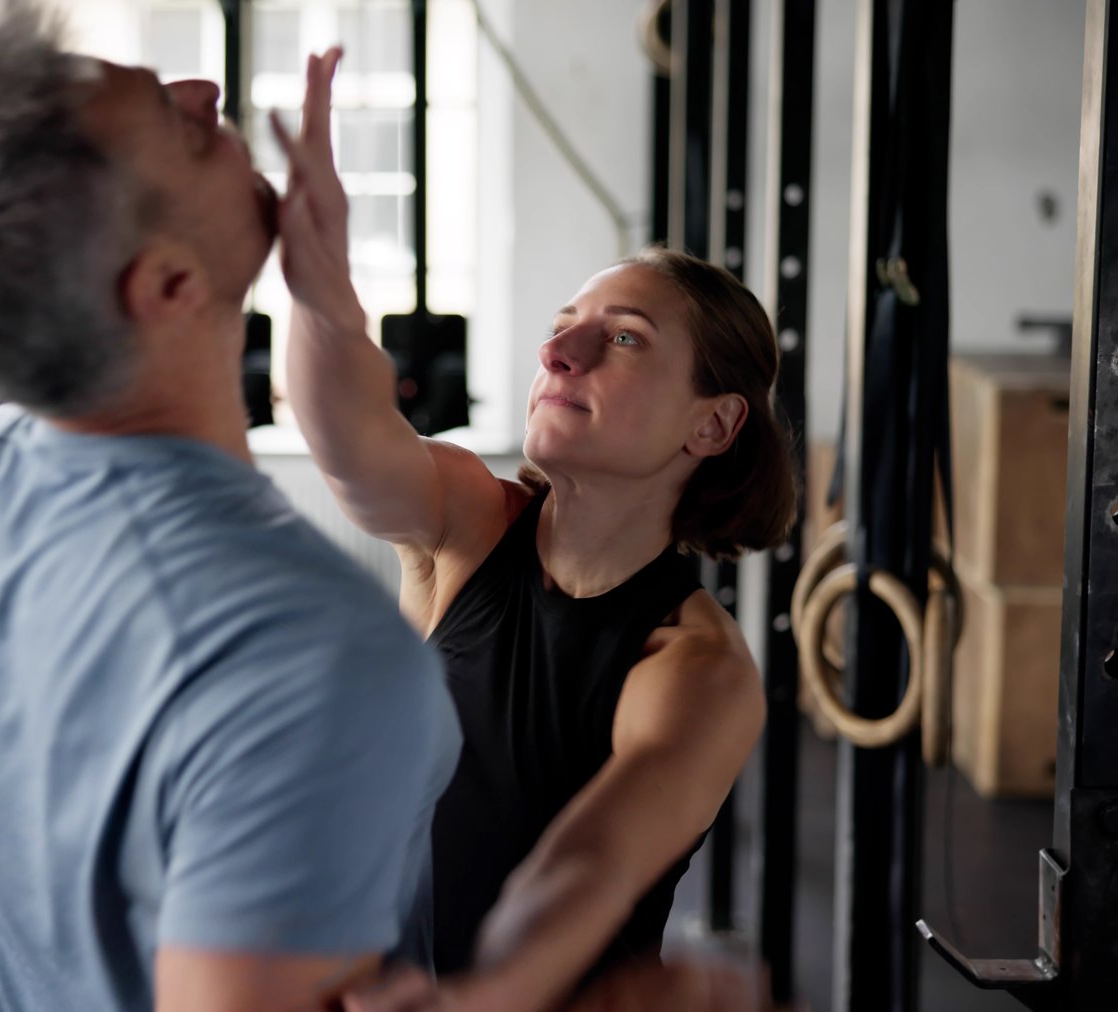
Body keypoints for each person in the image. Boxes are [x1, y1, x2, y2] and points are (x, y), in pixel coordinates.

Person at [0, 7, 461, 1011]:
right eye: (179, 124)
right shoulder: (313, 652)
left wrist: (328, 297)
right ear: (170, 283)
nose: (207, 94)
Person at [271, 49, 792, 1011]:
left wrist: (484, 998)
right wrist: (317, 281)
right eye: (565, 324)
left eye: (624, 337)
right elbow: (348, 437)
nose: (560, 351)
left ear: (711, 424)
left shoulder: (695, 670)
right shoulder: (467, 526)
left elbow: (591, 861)